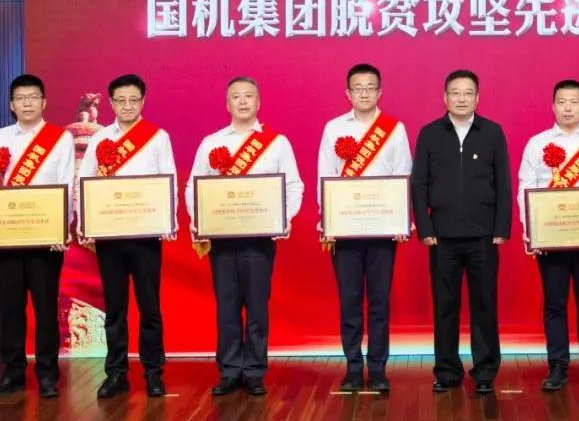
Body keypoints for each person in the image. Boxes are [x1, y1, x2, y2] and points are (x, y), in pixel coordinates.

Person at [185, 77, 303, 396]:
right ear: (227, 105)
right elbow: (193, 187)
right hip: (222, 240)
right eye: (235, 97)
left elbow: (293, 185)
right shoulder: (211, 142)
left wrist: (284, 218)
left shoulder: (277, 143)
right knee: (226, 307)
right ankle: (228, 370)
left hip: (259, 240)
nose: (242, 101)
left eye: (248, 96)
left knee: (257, 308)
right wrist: (199, 220)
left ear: (258, 102)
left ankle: (254, 370)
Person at [0, 74, 75, 398]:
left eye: (33, 97)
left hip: (46, 239)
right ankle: (13, 372)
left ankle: (47, 374)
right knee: (10, 308)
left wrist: (63, 227)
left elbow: (67, 185)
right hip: (8, 238)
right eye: (21, 98)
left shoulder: (60, 138)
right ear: (11, 104)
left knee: (45, 308)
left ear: (44, 102)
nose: (27, 103)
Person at [411, 69, 512, 394]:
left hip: (483, 235)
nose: (461, 98)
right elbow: (419, 183)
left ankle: (485, 372)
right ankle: (447, 371)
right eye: (455, 92)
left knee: (485, 305)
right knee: (445, 306)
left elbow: (504, 182)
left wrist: (502, 227)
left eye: (468, 93)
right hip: (442, 236)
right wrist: (424, 227)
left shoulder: (492, 132)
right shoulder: (430, 133)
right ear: (445, 97)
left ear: (477, 98)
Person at [77, 74, 177, 398]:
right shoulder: (100, 139)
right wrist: (85, 223)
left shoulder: (157, 137)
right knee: (115, 308)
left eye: (134, 100)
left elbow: (169, 180)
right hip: (110, 237)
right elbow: (84, 183)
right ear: (111, 103)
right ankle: (116, 373)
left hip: (146, 235)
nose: (128, 106)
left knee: (150, 307)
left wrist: (169, 220)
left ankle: (153, 371)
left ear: (143, 101)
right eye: (121, 101)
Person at [316, 63, 412, 393]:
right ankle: (353, 367)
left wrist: (402, 219)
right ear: (348, 93)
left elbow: (403, 174)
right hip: (345, 229)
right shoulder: (333, 128)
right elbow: (325, 176)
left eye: (371, 87)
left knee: (380, 301)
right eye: (358, 88)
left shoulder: (394, 129)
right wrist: (328, 220)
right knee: (350, 301)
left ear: (380, 92)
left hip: (384, 229)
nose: (365, 93)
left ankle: (379, 367)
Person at [517, 79, 579, 391]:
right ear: (553, 106)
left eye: (574, 102)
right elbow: (525, 188)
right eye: (562, 102)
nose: (568, 108)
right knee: (554, 304)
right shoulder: (537, 143)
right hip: (551, 240)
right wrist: (531, 231)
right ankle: (557, 366)